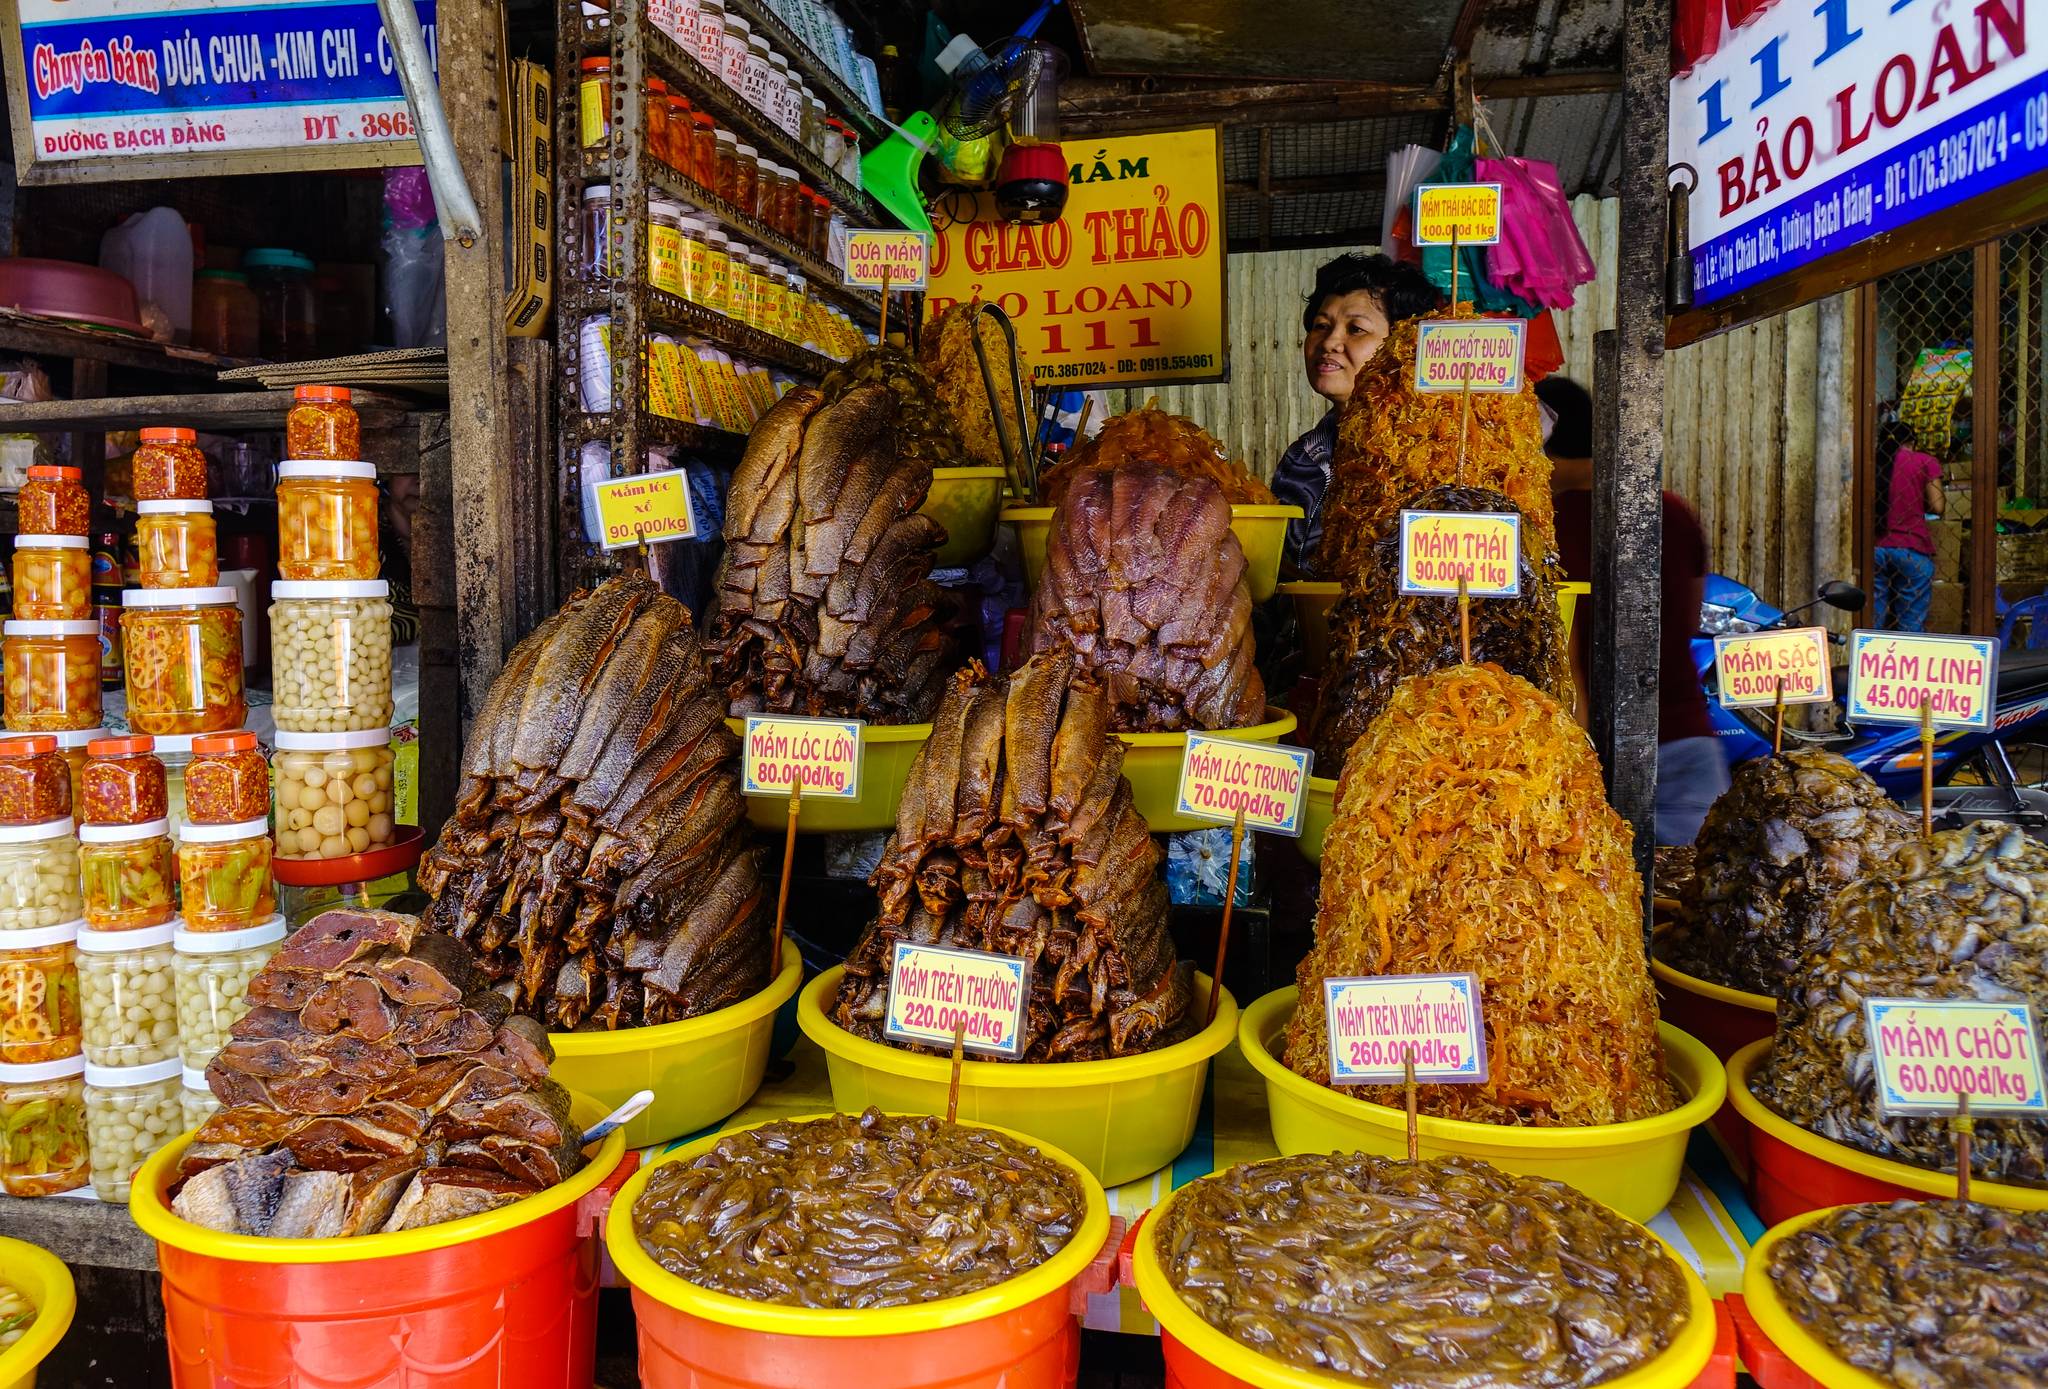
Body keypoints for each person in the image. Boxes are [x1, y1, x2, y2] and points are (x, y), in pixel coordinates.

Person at [1535, 375, 1728, 846]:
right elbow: (1687, 618)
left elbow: (1566, 655)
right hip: (1688, 742)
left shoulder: (1549, 527)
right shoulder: (1671, 510)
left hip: (1593, 756)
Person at [1271, 252, 1441, 575]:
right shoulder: (1301, 458)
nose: (1330, 342)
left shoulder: (1430, 459)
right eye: (1322, 325)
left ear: (1403, 344)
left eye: (1356, 329)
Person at [1872, 419, 1945, 631]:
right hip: (1911, 548)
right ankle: (1909, 654)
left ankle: (1870, 655)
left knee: (1873, 619)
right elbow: (1938, 505)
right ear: (1912, 441)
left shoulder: (1872, 462)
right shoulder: (1924, 461)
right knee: (1910, 623)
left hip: (1875, 548)